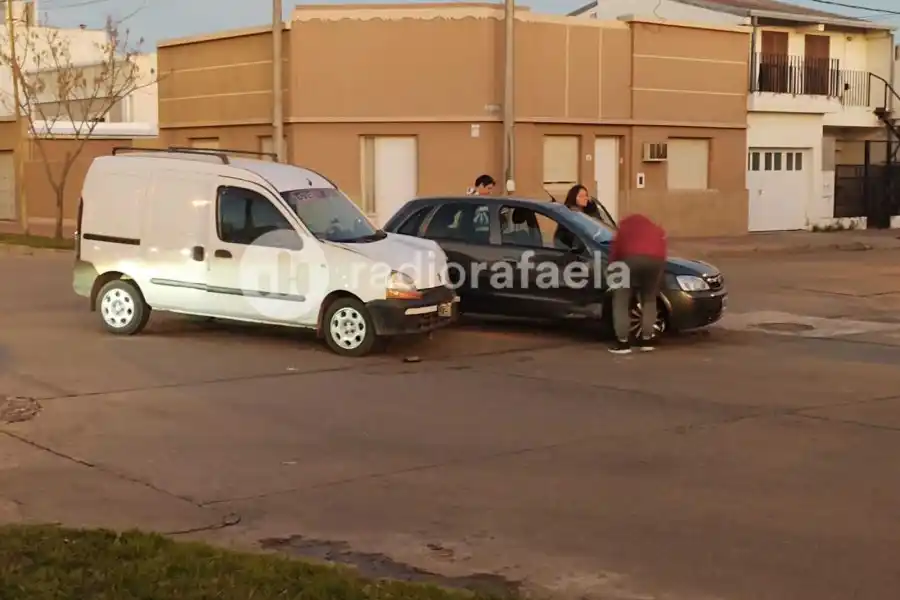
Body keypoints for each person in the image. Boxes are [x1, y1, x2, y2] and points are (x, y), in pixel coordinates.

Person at [607, 213, 667, 355]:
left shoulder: (624, 228)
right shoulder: (655, 229)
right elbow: (663, 249)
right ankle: (647, 340)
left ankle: (623, 343)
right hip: (655, 261)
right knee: (650, 298)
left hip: (629, 259)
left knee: (621, 299)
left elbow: (616, 250)